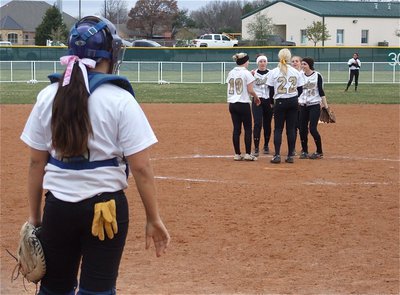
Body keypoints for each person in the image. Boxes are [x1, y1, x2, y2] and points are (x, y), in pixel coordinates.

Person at [20, 16, 170, 295]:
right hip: (106, 210)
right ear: (108, 54)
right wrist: (153, 218)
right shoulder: (120, 99)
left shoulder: (47, 95)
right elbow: (141, 168)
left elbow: (35, 163)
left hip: (59, 209)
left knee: (54, 289)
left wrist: (35, 217)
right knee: (98, 290)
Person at [267, 48, 303, 164]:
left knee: (278, 129)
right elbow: (300, 89)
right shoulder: (295, 71)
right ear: (289, 58)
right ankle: (290, 155)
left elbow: (271, 90)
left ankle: (277, 155)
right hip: (293, 101)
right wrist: (294, 97)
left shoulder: (274, 71)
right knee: (291, 129)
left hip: (280, 102)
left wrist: (272, 102)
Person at [226, 52, 260, 161]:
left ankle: (237, 154)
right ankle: (248, 154)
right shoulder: (246, 73)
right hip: (243, 103)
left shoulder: (231, 72)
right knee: (248, 128)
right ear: (245, 62)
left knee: (236, 129)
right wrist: (256, 97)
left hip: (232, 104)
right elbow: (250, 90)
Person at [298, 57, 329, 159]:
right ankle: (305, 151)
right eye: (302, 64)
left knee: (312, 129)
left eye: (305, 64)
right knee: (302, 129)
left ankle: (319, 151)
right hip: (303, 105)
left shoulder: (317, 76)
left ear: (310, 65)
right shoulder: (299, 75)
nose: (302, 66)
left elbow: (321, 91)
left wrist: (326, 106)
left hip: (314, 105)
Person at [251, 54, 273, 156]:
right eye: (260, 61)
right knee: (257, 123)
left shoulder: (271, 73)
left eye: (264, 61)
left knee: (267, 124)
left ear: (267, 62)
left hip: (268, 101)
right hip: (257, 100)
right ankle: (256, 147)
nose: (262, 63)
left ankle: (266, 145)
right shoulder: (253, 73)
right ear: (257, 63)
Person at [290, 55, 304, 155]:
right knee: (293, 127)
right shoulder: (289, 74)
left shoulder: (304, 74)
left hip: (304, 104)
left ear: (300, 63)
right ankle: (293, 148)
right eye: (293, 61)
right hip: (293, 103)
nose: (295, 63)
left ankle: (304, 148)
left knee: (303, 127)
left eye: (297, 61)